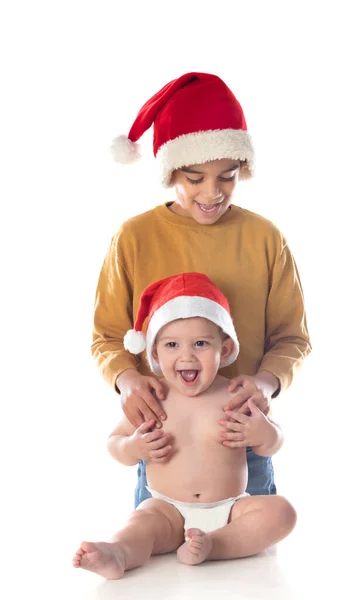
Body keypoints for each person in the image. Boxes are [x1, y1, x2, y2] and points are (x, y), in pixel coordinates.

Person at [92, 72, 311, 508]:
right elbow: (107, 337)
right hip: (164, 441)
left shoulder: (264, 238)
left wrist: (265, 386)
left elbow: (293, 338)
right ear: (170, 168)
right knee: (158, 553)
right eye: (195, 179)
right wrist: (129, 379)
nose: (212, 194)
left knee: (249, 558)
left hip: (240, 435)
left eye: (227, 177)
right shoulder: (133, 238)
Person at [74, 273, 297, 579]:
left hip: (231, 510)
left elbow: (274, 440)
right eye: (172, 344)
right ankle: (118, 553)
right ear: (154, 353)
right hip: (167, 509)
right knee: (140, 524)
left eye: (201, 343)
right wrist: (133, 447)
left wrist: (263, 433)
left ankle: (214, 545)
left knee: (281, 513)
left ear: (226, 349)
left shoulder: (233, 394)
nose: (186, 355)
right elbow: (114, 442)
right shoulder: (154, 398)